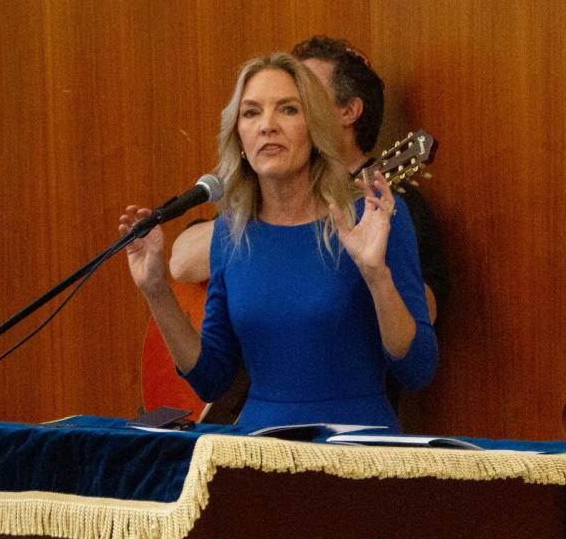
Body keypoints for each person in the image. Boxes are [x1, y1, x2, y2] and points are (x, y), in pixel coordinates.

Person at [119, 53, 437, 432]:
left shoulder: (374, 217)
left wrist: (376, 274)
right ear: (238, 135)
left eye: (287, 110)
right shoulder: (230, 234)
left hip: (357, 450)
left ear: (315, 128)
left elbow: (418, 369)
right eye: (251, 113)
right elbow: (211, 379)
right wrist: (155, 289)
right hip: (256, 450)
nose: (267, 126)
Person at [169, 36, 450, 322]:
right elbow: (181, 263)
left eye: (297, 98)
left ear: (348, 111)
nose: (271, 120)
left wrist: (375, 269)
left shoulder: (394, 203)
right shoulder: (267, 194)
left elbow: (421, 319)